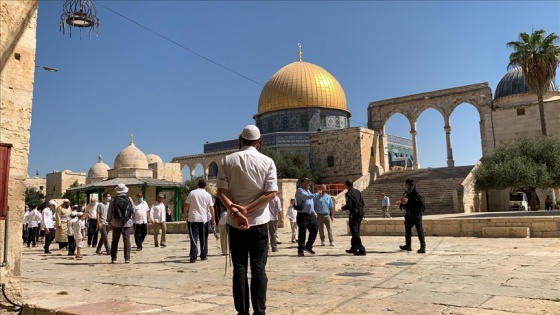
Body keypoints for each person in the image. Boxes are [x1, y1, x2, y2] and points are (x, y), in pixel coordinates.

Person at [216, 124, 278, 315]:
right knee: (258, 267)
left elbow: (220, 192)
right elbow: (271, 194)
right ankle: (260, 311)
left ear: (240, 140)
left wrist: (236, 212)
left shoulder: (227, 160)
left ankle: (242, 312)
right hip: (259, 222)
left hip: (235, 224)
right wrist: (248, 209)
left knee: (239, 268)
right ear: (259, 142)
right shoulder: (267, 162)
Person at [183, 180, 214, 263]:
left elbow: (186, 204)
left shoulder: (192, 193)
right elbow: (211, 208)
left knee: (194, 238)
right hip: (204, 219)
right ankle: (203, 255)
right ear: (205, 186)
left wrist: (184, 214)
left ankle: (193, 256)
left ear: (198, 185)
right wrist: (213, 219)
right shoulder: (208, 195)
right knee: (204, 238)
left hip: (193, 218)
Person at [397, 178, 426, 254]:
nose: (405, 186)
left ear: (408, 184)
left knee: (408, 230)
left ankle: (408, 245)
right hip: (418, 214)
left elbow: (404, 201)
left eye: (405, 184)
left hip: (410, 214)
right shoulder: (418, 192)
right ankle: (423, 247)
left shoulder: (408, 192)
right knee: (420, 230)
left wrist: (400, 201)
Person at [107, 183, 135, 263]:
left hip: (116, 223)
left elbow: (110, 211)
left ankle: (114, 258)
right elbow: (133, 210)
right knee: (126, 240)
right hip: (126, 222)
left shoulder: (114, 199)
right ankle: (127, 258)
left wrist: (109, 221)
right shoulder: (129, 199)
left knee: (115, 240)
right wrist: (132, 219)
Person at [295, 177, 321, 257]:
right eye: (307, 183)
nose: (308, 184)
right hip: (303, 215)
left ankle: (308, 246)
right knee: (302, 232)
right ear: (302, 183)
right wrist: (317, 194)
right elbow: (306, 197)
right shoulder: (300, 190)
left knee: (315, 229)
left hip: (311, 214)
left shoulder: (308, 190)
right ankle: (300, 250)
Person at [341, 179, 366, 256]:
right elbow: (363, 203)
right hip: (360, 213)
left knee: (355, 232)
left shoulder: (348, 193)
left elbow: (349, 205)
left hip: (354, 214)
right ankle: (354, 247)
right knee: (355, 230)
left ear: (346, 185)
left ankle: (362, 249)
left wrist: (343, 208)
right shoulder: (358, 191)